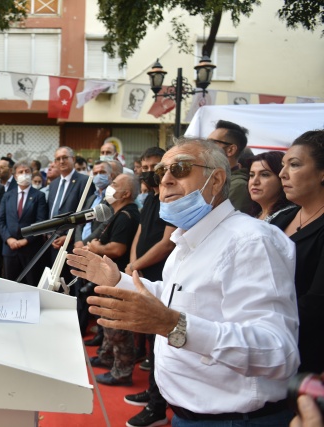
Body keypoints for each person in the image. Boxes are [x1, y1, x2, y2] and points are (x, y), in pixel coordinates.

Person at [67, 137, 299, 424]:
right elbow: (179, 297)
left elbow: (277, 352)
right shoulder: (186, 242)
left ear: (216, 181)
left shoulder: (251, 242)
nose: (164, 180)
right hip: (187, 414)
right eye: (159, 172)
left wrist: (172, 326)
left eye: (179, 169)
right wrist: (119, 281)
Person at [124, 146, 176, 427]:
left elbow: (167, 242)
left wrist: (138, 264)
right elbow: (142, 233)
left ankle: (158, 407)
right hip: (142, 273)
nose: (149, 172)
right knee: (149, 341)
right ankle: (154, 392)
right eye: (144, 167)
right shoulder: (150, 199)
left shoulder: (169, 200)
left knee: (160, 343)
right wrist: (134, 264)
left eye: (155, 166)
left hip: (159, 277)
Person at [271, 130, 324, 374]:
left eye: (294, 165)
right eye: (283, 165)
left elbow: (315, 302)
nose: (282, 174)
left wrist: (258, 326)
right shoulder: (282, 217)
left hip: (306, 357)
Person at [85, 174, 140, 387]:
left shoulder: (127, 215)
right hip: (109, 278)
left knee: (118, 329)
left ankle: (122, 372)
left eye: (115, 185)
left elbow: (117, 248)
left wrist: (97, 248)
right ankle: (107, 357)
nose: (110, 187)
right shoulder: (118, 213)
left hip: (119, 280)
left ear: (126, 193)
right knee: (110, 325)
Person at [48, 146, 94, 291]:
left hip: (72, 244)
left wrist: (69, 236)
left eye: (64, 158)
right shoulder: (54, 184)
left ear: (73, 159)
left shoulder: (84, 181)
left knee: (70, 287)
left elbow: (86, 215)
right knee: (54, 285)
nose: (61, 161)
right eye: (58, 159)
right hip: (53, 243)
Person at [0, 161, 48, 285]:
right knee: (10, 283)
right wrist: (9, 239)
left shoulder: (39, 196)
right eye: (21, 172)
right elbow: (0, 220)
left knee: (31, 283)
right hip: (10, 249)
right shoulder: (7, 195)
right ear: (15, 176)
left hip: (30, 249)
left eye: (27, 172)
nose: (24, 174)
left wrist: (26, 240)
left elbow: (40, 221)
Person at [207, 120, 252, 213]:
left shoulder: (238, 186)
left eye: (211, 143)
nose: (205, 147)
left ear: (230, 150)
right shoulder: (209, 178)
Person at [248, 151, 293, 222]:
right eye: (251, 175)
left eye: (264, 175)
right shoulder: (256, 214)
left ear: (282, 177)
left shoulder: (289, 216)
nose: (254, 182)